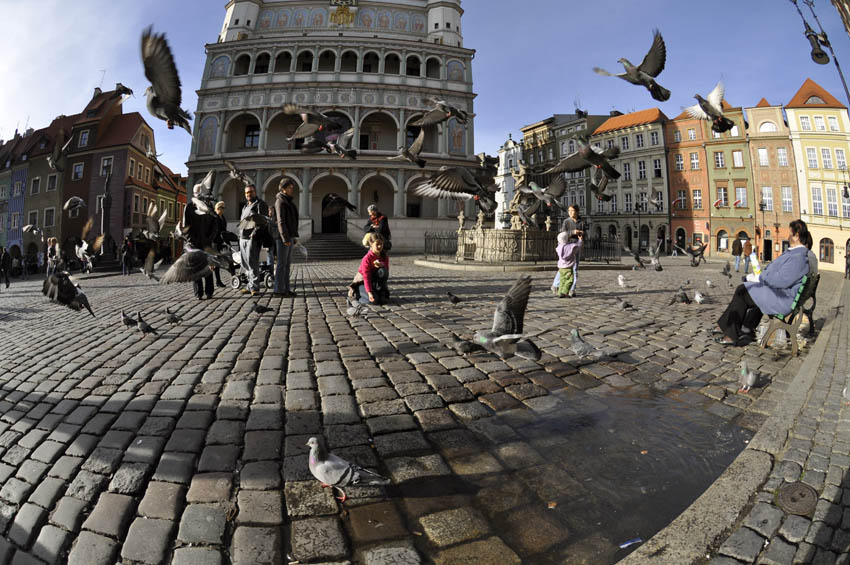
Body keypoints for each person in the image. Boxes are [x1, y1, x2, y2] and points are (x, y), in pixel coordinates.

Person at [715, 220, 810, 346]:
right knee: (750, 290)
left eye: (790, 234)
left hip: (782, 299)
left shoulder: (798, 258)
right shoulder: (796, 254)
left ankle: (731, 334)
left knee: (742, 291)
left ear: (797, 236)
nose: (787, 237)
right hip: (781, 295)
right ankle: (745, 328)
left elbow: (779, 280)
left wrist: (760, 277)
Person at [183, 187, 219, 300]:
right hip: (194, 243)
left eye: (200, 192)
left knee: (208, 268)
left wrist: (210, 238)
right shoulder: (188, 207)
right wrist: (191, 240)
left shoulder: (208, 207)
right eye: (196, 192)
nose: (199, 195)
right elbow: (185, 227)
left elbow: (215, 225)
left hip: (206, 243)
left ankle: (209, 292)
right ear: (193, 194)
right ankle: (198, 293)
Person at [239, 184, 269, 297]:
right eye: (246, 193)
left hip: (253, 238)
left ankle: (255, 287)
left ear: (255, 192)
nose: (248, 194)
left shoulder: (260, 204)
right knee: (245, 263)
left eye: (250, 192)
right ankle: (249, 285)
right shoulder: (245, 206)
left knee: (252, 262)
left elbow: (263, 221)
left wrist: (254, 234)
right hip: (242, 237)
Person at [273, 179, 299, 298]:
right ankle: (279, 290)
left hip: (289, 236)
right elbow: (281, 221)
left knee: (287, 265)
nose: (291, 189)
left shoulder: (288, 201)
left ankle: (286, 289)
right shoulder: (280, 201)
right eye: (289, 187)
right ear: (283, 188)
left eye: (292, 187)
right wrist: (285, 238)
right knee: (281, 264)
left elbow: (292, 221)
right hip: (283, 238)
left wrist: (294, 236)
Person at [553, 204, 585, 297]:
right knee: (564, 268)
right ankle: (556, 285)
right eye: (569, 211)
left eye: (572, 211)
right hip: (567, 247)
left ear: (577, 211)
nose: (570, 212)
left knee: (575, 269)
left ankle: (572, 289)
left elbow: (584, 234)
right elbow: (562, 234)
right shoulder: (566, 221)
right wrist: (572, 232)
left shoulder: (581, 222)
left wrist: (582, 235)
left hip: (576, 247)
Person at [351, 232, 389, 305]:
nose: (379, 246)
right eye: (377, 244)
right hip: (362, 282)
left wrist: (383, 292)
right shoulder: (367, 258)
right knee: (372, 301)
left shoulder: (385, 256)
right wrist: (369, 292)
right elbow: (366, 277)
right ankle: (357, 296)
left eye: (381, 244)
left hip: (375, 282)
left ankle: (379, 293)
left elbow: (385, 275)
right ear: (371, 243)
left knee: (382, 300)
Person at [556, 231, 583, 298]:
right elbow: (578, 246)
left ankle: (559, 292)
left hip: (561, 267)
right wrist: (580, 239)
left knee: (562, 280)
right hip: (568, 267)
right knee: (570, 280)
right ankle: (564, 292)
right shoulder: (570, 247)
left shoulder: (559, 247)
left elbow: (560, 242)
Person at [212, 201, 229, 288]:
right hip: (215, 242)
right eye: (222, 207)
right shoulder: (215, 217)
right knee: (216, 263)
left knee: (227, 259)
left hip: (222, 241)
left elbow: (224, 228)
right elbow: (215, 230)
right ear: (218, 208)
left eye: (224, 208)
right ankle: (218, 281)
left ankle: (233, 275)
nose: (223, 209)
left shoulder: (223, 217)